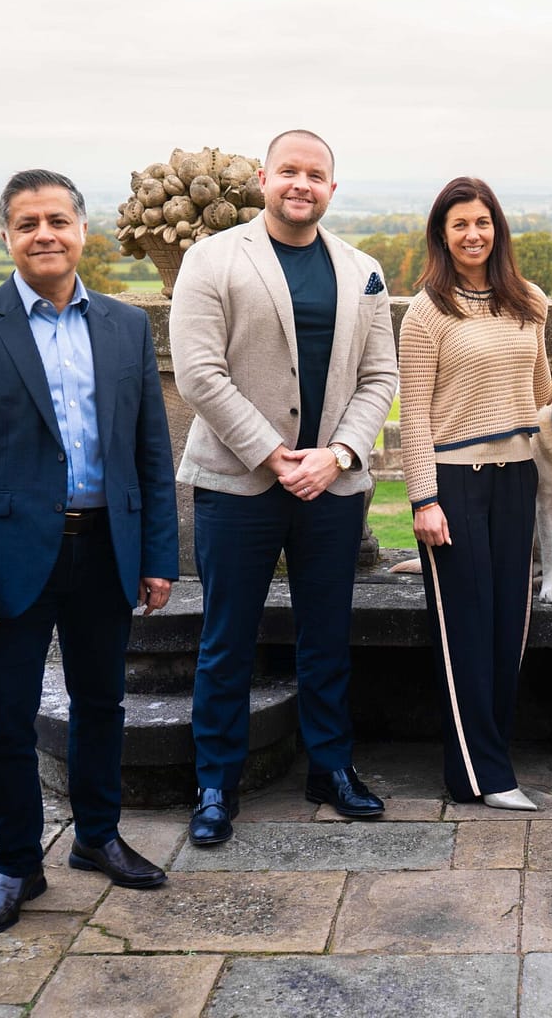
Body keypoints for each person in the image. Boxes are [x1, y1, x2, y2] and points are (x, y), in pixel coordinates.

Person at [0, 169, 178, 937]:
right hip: (5, 565)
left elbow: (149, 453)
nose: (44, 234)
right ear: (6, 236)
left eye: (57, 219)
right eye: (27, 222)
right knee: (6, 719)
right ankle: (16, 865)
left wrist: (156, 554)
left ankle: (97, 839)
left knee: (103, 704)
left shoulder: (126, 328)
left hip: (105, 551)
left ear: (81, 231)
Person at [171, 130, 398, 842]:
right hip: (238, 481)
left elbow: (379, 377)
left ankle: (329, 768)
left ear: (333, 187)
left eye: (317, 175)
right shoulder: (211, 259)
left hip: (329, 485)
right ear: (265, 179)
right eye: (290, 172)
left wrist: (336, 453)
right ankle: (214, 783)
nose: (302, 184)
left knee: (326, 636)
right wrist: (274, 455)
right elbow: (200, 373)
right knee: (226, 638)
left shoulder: (363, 270)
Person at [399, 176, 551, 811]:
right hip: (454, 485)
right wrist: (423, 500)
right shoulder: (427, 311)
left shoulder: (529, 301)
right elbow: (414, 416)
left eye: (482, 222)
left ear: (498, 229)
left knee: (507, 625)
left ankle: (495, 762)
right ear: (442, 234)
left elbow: (542, 387)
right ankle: (476, 776)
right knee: (465, 627)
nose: (473, 234)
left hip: (518, 475)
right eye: (459, 224)